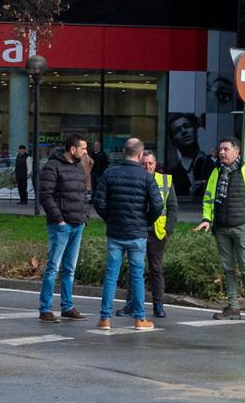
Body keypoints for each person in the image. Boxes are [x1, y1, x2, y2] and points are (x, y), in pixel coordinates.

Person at [92, 137, 163, 332]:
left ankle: (105, 318)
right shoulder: (147, 177)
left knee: (111, 275)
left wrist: (110, 218)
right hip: (137, 232)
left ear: (124, 152)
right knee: (137, 276)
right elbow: (157, 204)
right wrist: (146, 221)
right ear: (140, 155)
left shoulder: (109, 174)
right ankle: (140, 319)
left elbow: (99, 202)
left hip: (115, 232)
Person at [194, 137, 245, 321]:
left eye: (226, 149)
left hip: (242, 227)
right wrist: (206, 218)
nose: (221, 153)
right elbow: (209, 198)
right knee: (228, 269)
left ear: (237, 152)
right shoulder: (216, 172)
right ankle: (233, 307)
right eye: (220, 149)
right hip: (221, 228)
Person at [37, 135, 92, 323]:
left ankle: (67, 306)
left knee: (70, 268)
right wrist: (58, 219)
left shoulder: (78, 167)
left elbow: (83, 194)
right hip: (61, 225)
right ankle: (45, 308)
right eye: (83, 148)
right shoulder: (52, 167)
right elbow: (45, 195)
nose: (86, 152)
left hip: (77, 223)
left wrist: (85, 217)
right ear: (73, 149)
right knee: (53, 267)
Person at [129, 149, 178, 320]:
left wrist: (168, 230)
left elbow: (172, 207)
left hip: (157, 233)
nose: (147, 166)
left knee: (156, 269)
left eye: (150, 163)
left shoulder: (165, 180)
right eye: (144, 163)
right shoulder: (134, 179)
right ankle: (131, 304)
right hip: (137, 230)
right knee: (135, 268)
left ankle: (158, 304)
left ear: (155, 164)